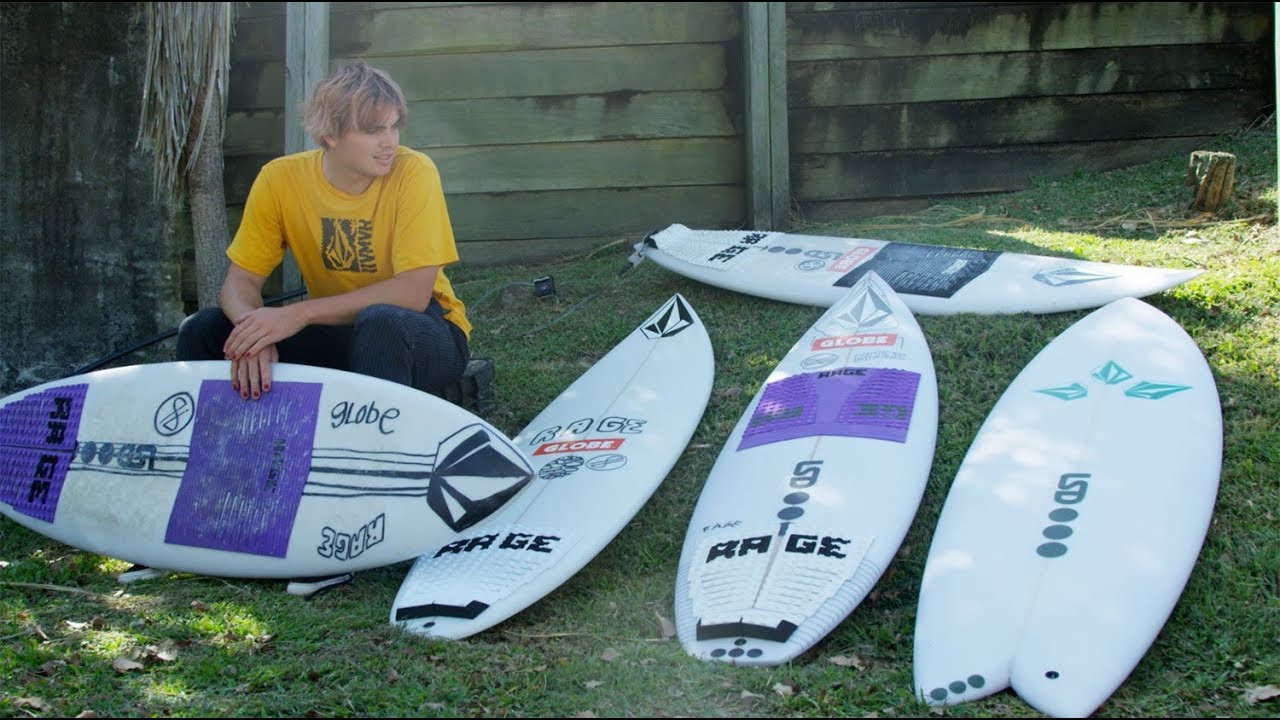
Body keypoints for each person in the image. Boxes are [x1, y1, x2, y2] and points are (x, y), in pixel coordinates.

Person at [118, 62, 472, 598]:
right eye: (374, 129)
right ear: (330, 134)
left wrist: (296, 315)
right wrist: (251, 332)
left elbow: (411, 294)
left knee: (380, 324)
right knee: (204, 331)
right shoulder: (281, 179)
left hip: (427, 334)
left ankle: (352, 530)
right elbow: (237, 286)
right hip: (342, 332)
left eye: (395, 126)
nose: (389, 143)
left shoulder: (413, 172)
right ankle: (214, 510)